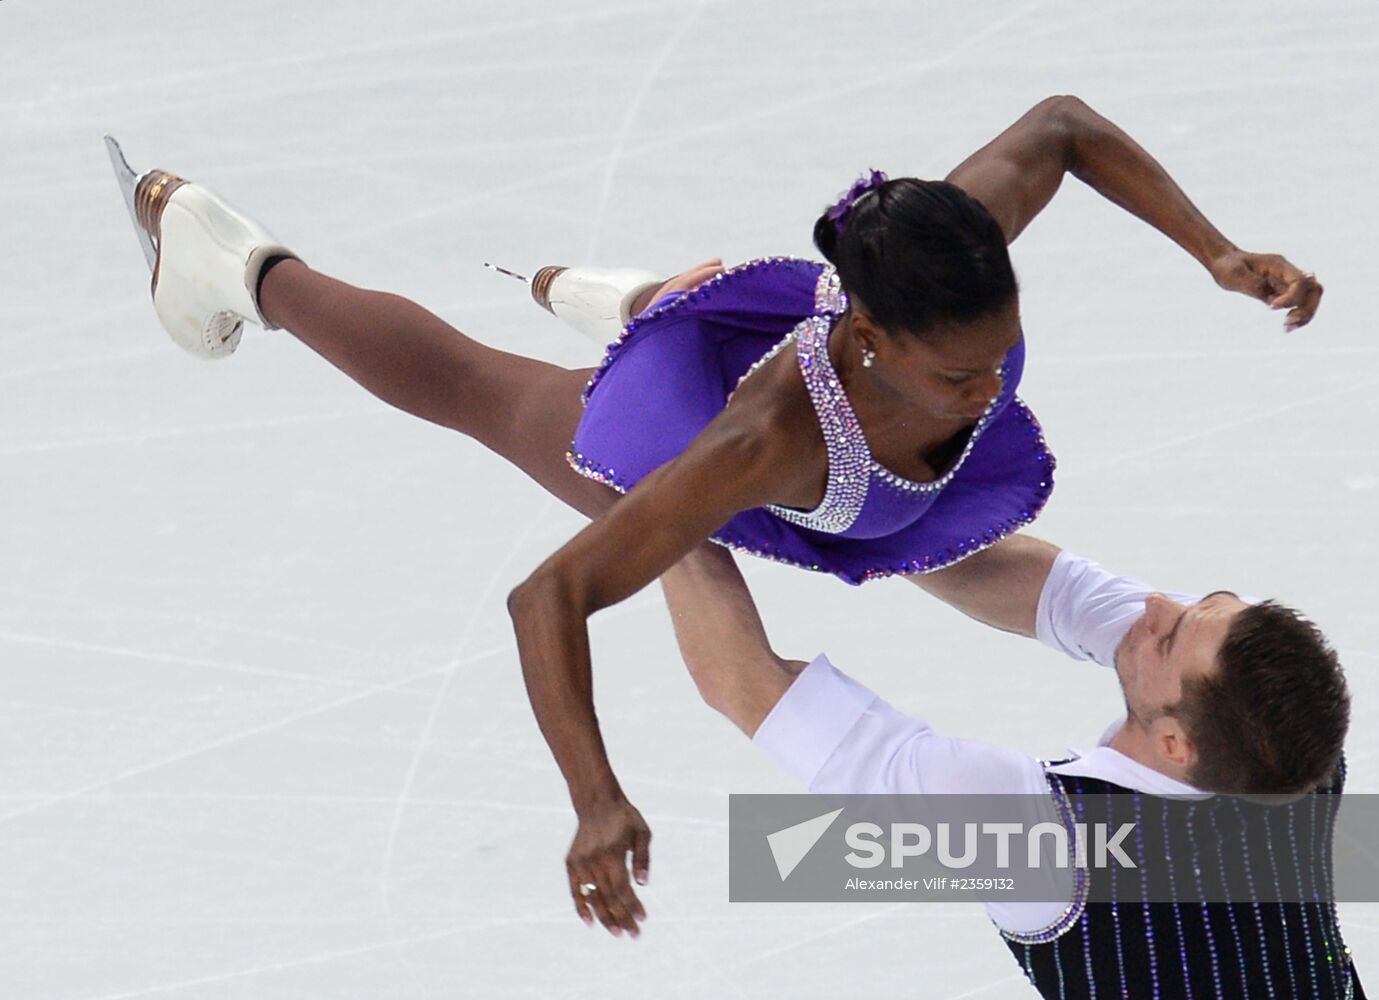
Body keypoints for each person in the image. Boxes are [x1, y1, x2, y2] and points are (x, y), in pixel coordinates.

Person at [107, 96, 1324, 937]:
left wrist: (1210, 252)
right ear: (872, 338)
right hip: (710, 441)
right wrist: (593, 795)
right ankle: (249, 265)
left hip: (864, 451)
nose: (988, 382)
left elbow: (1059, 127)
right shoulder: (761, 439)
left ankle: (644, 295)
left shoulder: (946, 274)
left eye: (996, 352)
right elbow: (553, 596)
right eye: (962, 373)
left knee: (926, 529)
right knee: (488, 394)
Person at [655, 536, 1358, 997]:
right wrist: (839, 494)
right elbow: (1060, 596)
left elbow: (741, 681)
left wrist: (670, 499)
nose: (1153, 605)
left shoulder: (1036, 837)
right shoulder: (1291, 745)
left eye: (1172, 633)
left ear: (1175, 745)